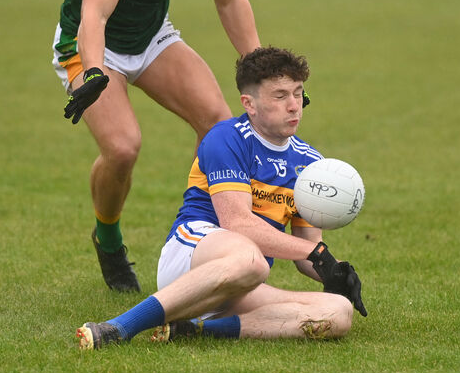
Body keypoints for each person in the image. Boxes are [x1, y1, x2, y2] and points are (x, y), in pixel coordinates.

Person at [52, 0, 260, 293]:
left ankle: (197, 236)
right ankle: (108, 238)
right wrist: (90, 71)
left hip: (152, 39)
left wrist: (258, 68)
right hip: (91, 45)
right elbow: (94, 14)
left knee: (220, 126)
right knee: (123, 148)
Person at [76, 47, 367, 349]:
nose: (294, 106)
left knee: (337, 312)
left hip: (245, 280)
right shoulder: (227, 137)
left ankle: (195, 329)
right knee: (250, 259)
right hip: (192, 256)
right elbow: (237, 224)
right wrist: (315, 253)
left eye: (297, 93)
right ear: (249, 104)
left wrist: (332, 270)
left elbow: (306, 248)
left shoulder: (310, 164)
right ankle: (119, 327)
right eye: (280, 96)